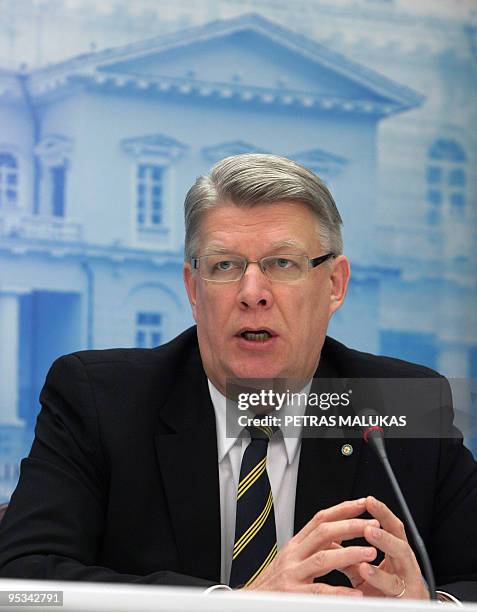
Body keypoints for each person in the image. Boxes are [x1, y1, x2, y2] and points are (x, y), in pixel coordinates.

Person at [0, 154, 476, 603]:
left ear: (335, 285)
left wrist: (430, 605)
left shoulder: (400, 406)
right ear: (193, 287)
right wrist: (234, 605)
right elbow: (23, 578)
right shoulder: (99, 400)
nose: (252, 293)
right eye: (224, 266)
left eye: (283, 264)